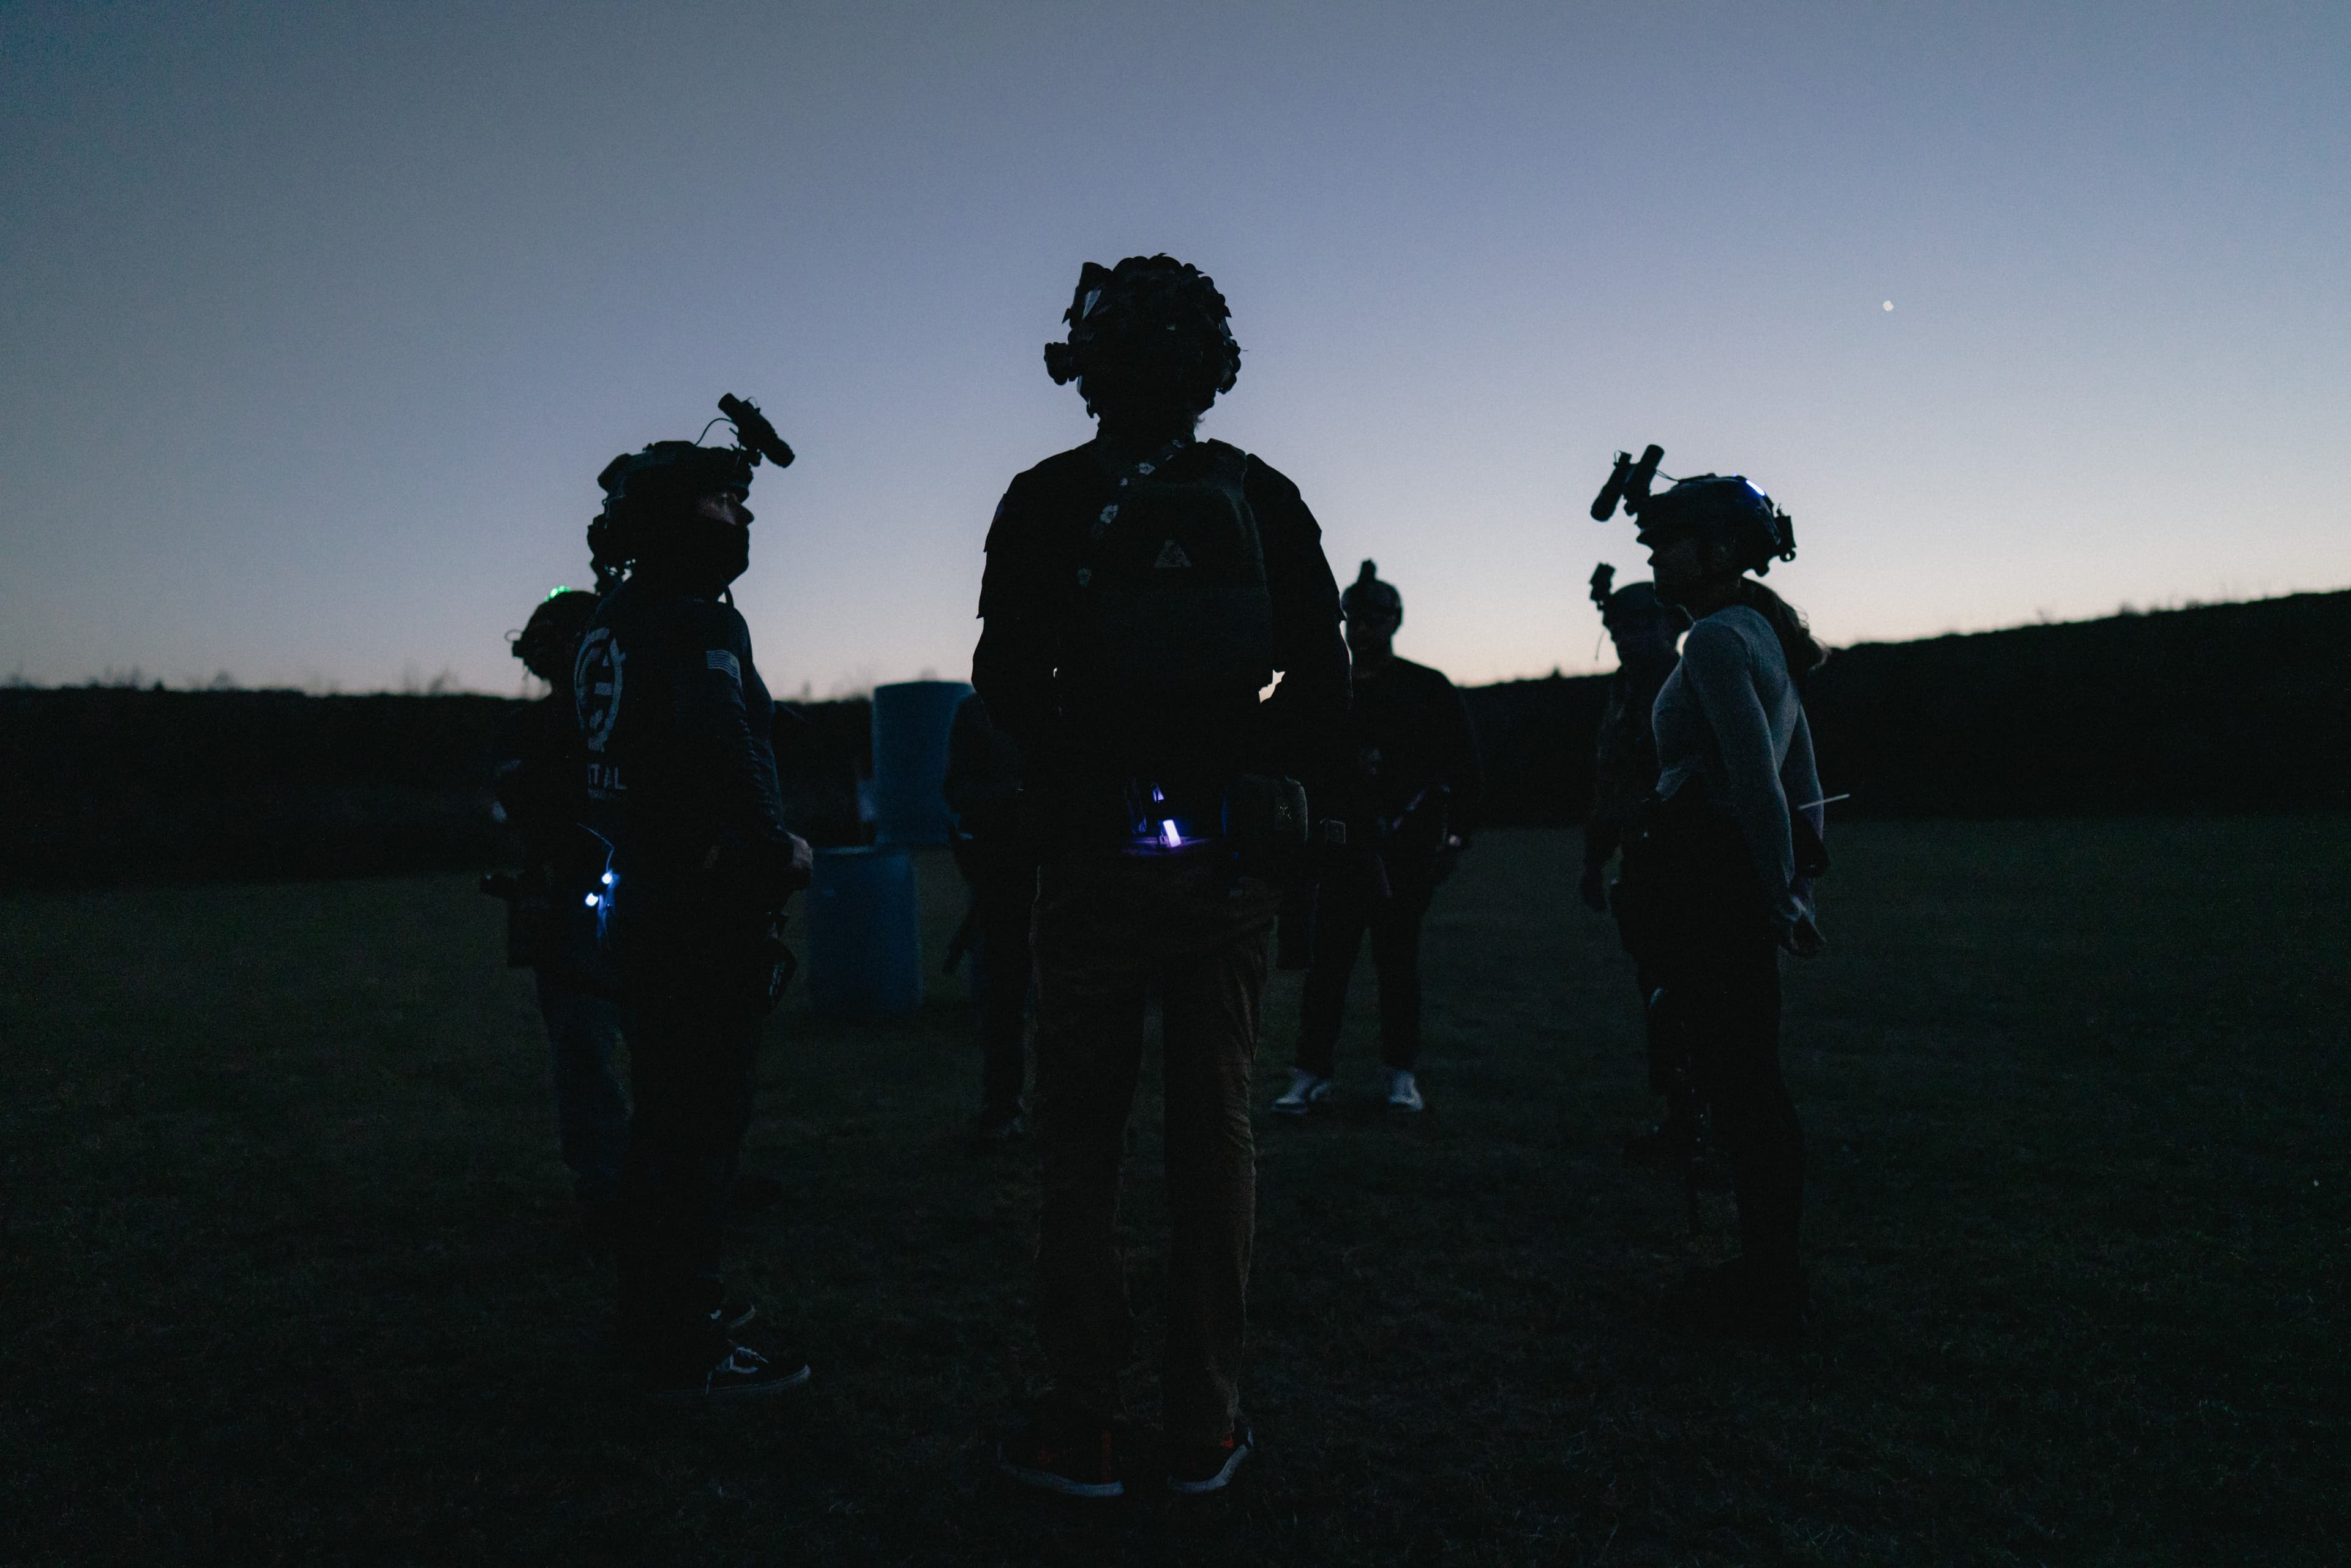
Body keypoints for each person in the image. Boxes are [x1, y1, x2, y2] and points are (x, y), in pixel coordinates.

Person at [973, 255, 1348, 1496]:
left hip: (1092, 856)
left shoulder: (1041, 499)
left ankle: (1079, 1413)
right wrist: (1247, 767)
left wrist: (1083, 768)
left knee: (1081, 1142)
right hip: (1227, 866)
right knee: (1215, 1130)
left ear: (1084, 365)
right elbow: (1325, 681)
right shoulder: (1262, 492)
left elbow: (1005, 686)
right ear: (1211, 366)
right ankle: (1206, 1420)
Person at [574, 402, 812, 1401]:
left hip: (635, 904)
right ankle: (681, 1342)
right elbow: (722, 741)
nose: (742, 518)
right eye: (723, 500)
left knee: (662, 1122)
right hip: (699, 908)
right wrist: (775, 849)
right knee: (698, 1128)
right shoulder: (701, 619)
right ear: (678, 519)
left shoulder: (609, 622)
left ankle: (662, 1306)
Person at [1612, 473, 1828, 1341]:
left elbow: (1756, 779)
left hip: (1709, 875)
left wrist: (1777, 892)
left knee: (1740, 1076)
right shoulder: (1760, 637)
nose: (1656, 556)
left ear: (1722, 551)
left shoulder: (1709, 647)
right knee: (1749, 1073)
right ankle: (1769, 1267)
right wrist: (1798, 885)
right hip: (1731, 878)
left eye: (1671, 541)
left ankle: (1767, 1282)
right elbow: (1805, 783)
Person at [1271, 560, 1480, 1116]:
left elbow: (1462, 766)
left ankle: (1400, 1076)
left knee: (1397, 966)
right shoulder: (1322, 688)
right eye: (1354, 618)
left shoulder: (1426, 688)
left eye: (1375, 618)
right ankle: (1310, 1074)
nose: (1363, 629)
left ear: (1395, 621)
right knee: (1328, 967)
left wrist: (1454, 837)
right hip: (1339, 851)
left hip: (1404, 852)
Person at [490, 588, 629, 1242]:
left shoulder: (615, 719)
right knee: (584, 1050)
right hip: (572, 909)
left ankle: (663, 1179)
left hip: (616, 901)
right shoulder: (540, 733)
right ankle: (608, 1188)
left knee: (629, 1048)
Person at [1573, 565, 1695, 1163]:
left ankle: (1708, 1123)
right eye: (1619, 628)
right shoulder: (1623, 692)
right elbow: (1611, 782)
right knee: (1661, 993)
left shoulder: (1692, 682)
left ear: (1670, 626)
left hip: (1694, 867)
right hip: (1643, 865)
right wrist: (1596, 861)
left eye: (1640, 625)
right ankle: (1681, 1117)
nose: (1628, 638)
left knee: (1699, 996)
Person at [943, 690, 1035, 1141]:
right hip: (1003, 870)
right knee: (1004, 995)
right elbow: (958, 789)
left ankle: (1080, 1112)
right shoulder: (978, 710)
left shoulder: (1078, 695)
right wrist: (1012, 798)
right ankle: (1003, 1109)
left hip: (1067, 865)